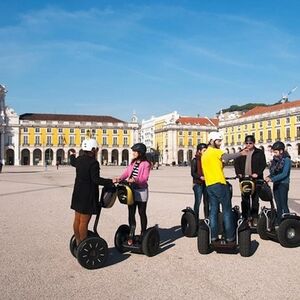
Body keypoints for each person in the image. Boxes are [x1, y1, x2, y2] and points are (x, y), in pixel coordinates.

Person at [201, 131, 248, 243]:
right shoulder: (215, 151)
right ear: (212, 141)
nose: (220, 143)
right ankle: (230, 237)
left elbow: (220, 163)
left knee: (213, 211)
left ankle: (213, 236)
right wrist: (241, 153)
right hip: (220, 184)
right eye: (218, 141)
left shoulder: (205, 154)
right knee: (227, 210)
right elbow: (227, 156)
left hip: (209, 185)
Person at [70, 138, 113, 249]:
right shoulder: (93, 163)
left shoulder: (79, 159)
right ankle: (84, 247)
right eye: (96, 149)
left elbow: (72, 162)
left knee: (77, 219)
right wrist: (110, 181)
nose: (97, 151)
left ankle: (79, 242)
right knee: (84, 222)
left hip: (77, 193)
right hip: (87, 195)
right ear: (93, 149)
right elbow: (96, 180)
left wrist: (72, 155)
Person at [115, 143, 151, 245]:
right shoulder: (133, 162)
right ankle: (131, 234)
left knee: (141, 212)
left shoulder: (146, 164)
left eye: (135, 151)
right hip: (131, 190)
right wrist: (120, 178)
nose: (133, 153)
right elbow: (127, 172)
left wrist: (135, 179)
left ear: (140, 153)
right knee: (131, 213)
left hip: (141, 191)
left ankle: (143, 233)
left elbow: (144, 178)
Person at [234, 135, 267, 225]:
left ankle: (254, 217)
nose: (248, 145)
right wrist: (239, 173)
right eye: (247, 143)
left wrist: (257, 173)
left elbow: (263, 164)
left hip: (256, 179)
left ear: (254, 143)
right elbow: (236, 163)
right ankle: (245, 216)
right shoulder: (241, 152)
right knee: (245, 198)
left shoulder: (259, 152)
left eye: (250, 143)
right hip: (244, 179)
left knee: (255, 199)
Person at [265, 141, 291, 224]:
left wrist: (272, 179)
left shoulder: (287, 160)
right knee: (278, 205)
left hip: (283, 184)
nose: (274, 154)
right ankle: (279, 222)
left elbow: (284, 174)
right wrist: (269, 176)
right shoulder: (275, 161)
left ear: (281, 151)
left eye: (276, 152)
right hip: (276, 184)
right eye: (273, 152)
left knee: (284, 204)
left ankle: (288, 222)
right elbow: (273, 173)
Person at [191, 143, 209, 219]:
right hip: (198, 184)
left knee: (207, 202)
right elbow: (193, 173)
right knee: (198, 202)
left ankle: (207, 218)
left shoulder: (207, 160)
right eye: (204, 150)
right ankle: (195, 218)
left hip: (207, 183)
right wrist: (200, 177)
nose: (206, 152)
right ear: (199, 151)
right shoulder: (195, 160)